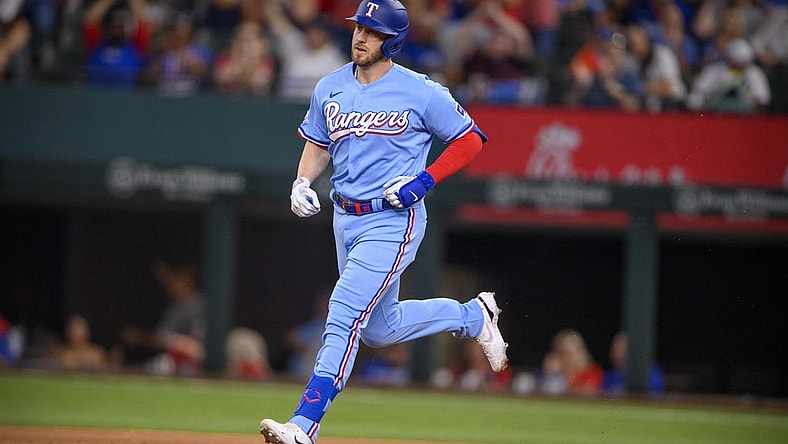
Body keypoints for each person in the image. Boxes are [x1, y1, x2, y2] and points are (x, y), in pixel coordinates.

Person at [258, 1, 508, 443]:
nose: (360, 37)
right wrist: (301, 181)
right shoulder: (330, 85)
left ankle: (303, 425)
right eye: (358, 28)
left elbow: (470, 141)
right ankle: (473, 316)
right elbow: (318, 143)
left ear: (391, 40)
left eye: (372, 32)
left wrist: (425, 180)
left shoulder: (420, 90)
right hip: (345, 218)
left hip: (393, 219)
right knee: (378, 327)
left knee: (343, 313)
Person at [119, 259, 205, 376]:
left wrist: (139, 337)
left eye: (177, 281)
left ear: (187, 283)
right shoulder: (199, 304)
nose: (172, 286)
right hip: (190, 359)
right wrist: (166, 275)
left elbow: (166, 340)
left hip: (188, 361)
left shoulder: (186, 307)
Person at [687, 37, 771, 114]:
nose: (738, 68)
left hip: (747, 118)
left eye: (742, 64)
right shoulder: (713, 71)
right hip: (713, 116)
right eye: (735, 64)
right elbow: (695, 97)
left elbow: (763, 100)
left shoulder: (754, 73)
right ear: (728, 58)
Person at [603, 330, 664, 396]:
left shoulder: (651, 371)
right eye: (614, 348)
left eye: (620, 348)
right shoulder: (610, 375)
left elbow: (656, 394)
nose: (614, 351)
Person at [550, 328, 603, 396]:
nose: (566, 357)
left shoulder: (592, 371)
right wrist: (551, 375)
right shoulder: (556, 372)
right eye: (561, 352)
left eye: (568, 352)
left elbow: (589, 392)